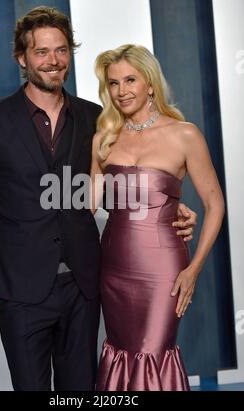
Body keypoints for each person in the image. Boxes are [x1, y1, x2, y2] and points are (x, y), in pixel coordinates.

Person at [0, 7, 196, 391]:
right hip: (20, 289)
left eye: (61, 50)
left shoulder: (97, 118)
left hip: (83, 286)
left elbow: (112, 190)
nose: (53, 61)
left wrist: (168, 206)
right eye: (41, 52)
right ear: (22, 58)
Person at [91, 44, 225, 391]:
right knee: (121, 350)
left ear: (150, 83)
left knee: (153, 351)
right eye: (114, 83)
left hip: (162, 268)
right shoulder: (103, 140)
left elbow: (214, 203)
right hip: (113, 266)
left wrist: (193, 269)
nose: (122, 91)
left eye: (131, 80)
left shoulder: (185, 134)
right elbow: (85, 205)